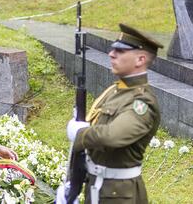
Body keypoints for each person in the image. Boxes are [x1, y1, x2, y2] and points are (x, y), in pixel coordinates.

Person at [59, 24, 161, 204]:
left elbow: (113, 136)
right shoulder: (115, 91)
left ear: (140, 59)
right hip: (97, 187)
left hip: (120, 195)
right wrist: (72, 184)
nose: (111, 54)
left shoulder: (142, 103)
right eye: (113, 49)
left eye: (120, 51)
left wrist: (81, 133)